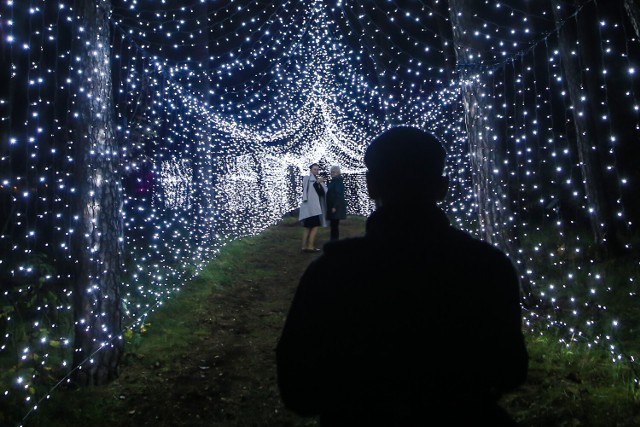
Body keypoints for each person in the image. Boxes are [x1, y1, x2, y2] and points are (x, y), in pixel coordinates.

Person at [277, 126, 528, 426]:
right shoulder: (488, 265)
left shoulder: (333, 272)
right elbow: (511, 371)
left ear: (371, 185)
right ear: (442, 188)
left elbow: (298, 390)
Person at [298, 163, 327, 253]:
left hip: (314, 208)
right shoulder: (308, 179)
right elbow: (309, 190)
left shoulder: (315, 179)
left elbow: (321, 193)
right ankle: (309, 246)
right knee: (312, 227)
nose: (316, 171)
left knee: (309, 227)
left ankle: (305, 246)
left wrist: (320, 183)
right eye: (314, 169)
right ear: (310, 170)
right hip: (311, 208)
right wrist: (317, 183)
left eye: (317, 169)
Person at [325, 165, 347, 241]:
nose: (332, 173)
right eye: (331, 172)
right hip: (332, 205)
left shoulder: (338, 181)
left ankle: (334, 241)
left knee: (334, 225)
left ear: (338, 173)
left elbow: (339, 195)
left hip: (335, 206)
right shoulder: (334, 181)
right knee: (333, 225)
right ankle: (334, 240)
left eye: (334, 172)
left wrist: (335, 206)